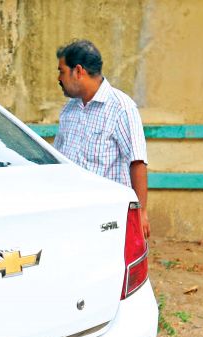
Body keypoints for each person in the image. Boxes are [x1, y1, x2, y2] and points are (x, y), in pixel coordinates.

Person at [54, 39, 150, 238]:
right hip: (71, 215)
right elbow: (60, 159)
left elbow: (137, 161)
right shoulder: (69, 110)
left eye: (62, 71)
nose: (59, 78)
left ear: (78, 71)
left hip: (106, 219)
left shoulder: (121, 108)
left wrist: (141, 212)